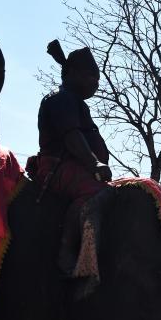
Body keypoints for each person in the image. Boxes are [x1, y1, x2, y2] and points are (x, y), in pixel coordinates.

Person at [28, 40, 113, 274]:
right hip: (57, 168)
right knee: (97, 192)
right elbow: (71, 136)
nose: (95, 85)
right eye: (90, 78)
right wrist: (94, 163)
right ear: (72, 74)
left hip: (75, 168)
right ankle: (68, 251)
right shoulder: (60, 99)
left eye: (97, 80)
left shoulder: (76, 102)